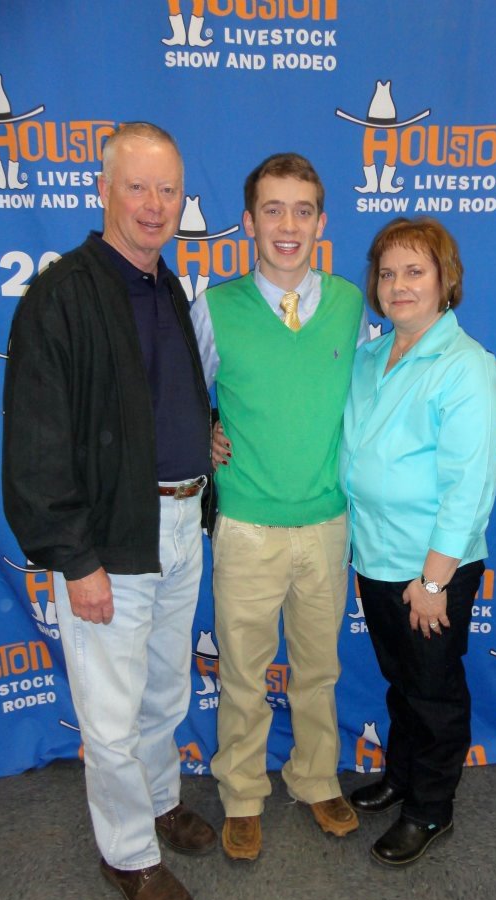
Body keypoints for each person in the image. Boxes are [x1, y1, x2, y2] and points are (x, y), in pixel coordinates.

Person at [2, 122, 216, 900]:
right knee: (113, 713)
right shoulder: (62, 295)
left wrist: (203, 439)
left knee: (163, 692)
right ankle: (128, 852)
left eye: (169, 190)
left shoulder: (164, 285)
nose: (156, 205)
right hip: (108, 544)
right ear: (103, 190)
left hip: (178, 523)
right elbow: (35, 442)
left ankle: (160, 803)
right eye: (138, 186)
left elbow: (153, 401)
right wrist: (74, 558)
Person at [191, 153, 368, 861]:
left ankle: (316, 777)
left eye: (302, 210)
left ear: (322, 222)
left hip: (326, 524)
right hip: (245, 526)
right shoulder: (215, 307)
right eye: (273, 209)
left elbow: (373, 398)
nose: (287, 225)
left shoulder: (355, 304)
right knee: (242, 669)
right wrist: (199, 433)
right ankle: (240, 792)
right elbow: (177, 393)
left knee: (319, 667)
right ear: (248, 222)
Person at [340, 217, 496, 868]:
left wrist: (434, 581)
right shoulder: (368, 357)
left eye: (415, 271)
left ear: (447, 281)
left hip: (430, 567)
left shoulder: (466, 368)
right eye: (387, 273)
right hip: (376, 556)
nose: (398, 285)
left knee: (434, 692)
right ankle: (402, 775)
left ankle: (430, 807)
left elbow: (469, 487)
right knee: (401, 680)